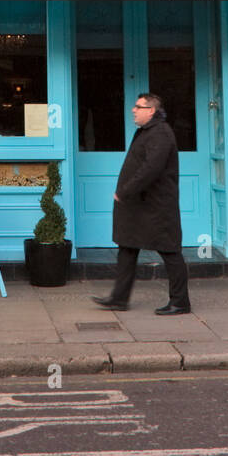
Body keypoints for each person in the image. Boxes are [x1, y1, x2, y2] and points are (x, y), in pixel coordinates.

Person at [92, 92, 191, 316]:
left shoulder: (161, 133)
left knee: (170, 251)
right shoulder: (146, 132)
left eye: (138, 106)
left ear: (151, 111)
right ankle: (119, 298)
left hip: (157, 206)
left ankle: (180, 302)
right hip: (139, 205)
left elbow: (150, 169)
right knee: (127, 246)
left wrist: (125, 191)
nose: (133, 110)